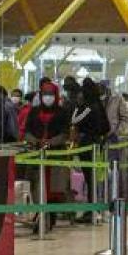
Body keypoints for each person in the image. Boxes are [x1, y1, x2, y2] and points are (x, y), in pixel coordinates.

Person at [24, 81, 71, 231]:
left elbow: (65, 134)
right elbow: (27, 131)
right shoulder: (34, 111)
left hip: (56, 157)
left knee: (54, 189)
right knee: (37, 186)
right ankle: (41, 215)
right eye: (45, 94)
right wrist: (36, 142)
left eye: (51, 94)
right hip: (37, 156)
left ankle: (49, 216)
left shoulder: (62, 112)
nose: (48, 97)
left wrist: (50, 143)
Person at [69, 78, 111, 220]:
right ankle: (95, 209)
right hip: (96, 144)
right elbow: (107, 127)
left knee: (90, 177)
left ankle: (92, 210)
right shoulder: (99, 105)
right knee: (93, 177)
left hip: (87, 145)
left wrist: (77, 106)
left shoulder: (88, 107)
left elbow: (74, 120)